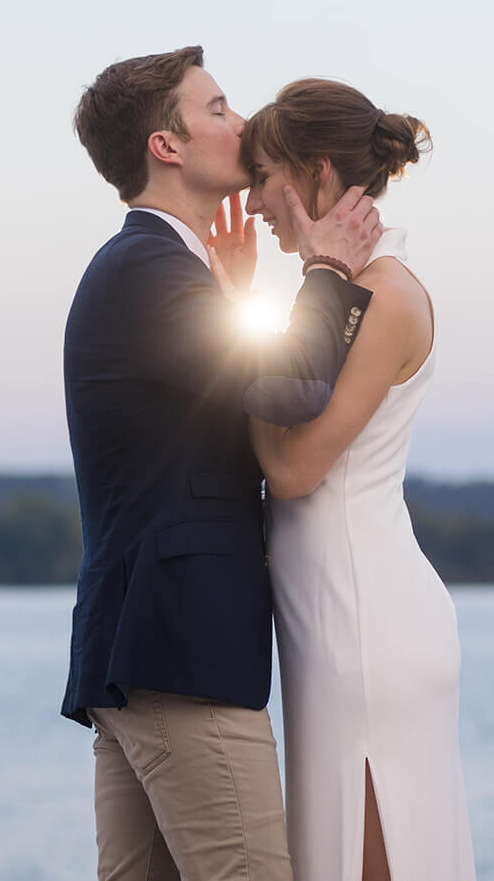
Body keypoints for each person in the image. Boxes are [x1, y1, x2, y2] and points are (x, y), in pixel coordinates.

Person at [62, 46, 386, 881]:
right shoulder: (146, 267)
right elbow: (293, 385)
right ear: (165, 147)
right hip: (180, 658)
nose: (240, 125)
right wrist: (326, 268)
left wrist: (235, 300)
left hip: (141, 659)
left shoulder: (162, 270)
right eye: (217, 109)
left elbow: (210, 398)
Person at [225, 78, 478, 881]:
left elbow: (295, 468)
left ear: (318, 175)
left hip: (366, 626)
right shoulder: (338, 297)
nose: (254, 197)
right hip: (331, 619)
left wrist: (267, 316)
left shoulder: (387, 297)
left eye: (265, 174)